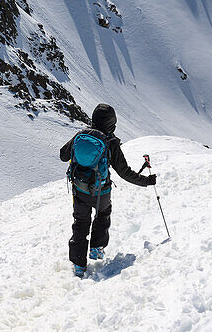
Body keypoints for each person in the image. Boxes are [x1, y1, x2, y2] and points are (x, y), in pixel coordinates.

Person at [59, 103, 156, 276]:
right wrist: (147, 181)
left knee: (80, 223)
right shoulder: (110, 142)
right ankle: (97, 247)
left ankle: (79, 265)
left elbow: (62, 155)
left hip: (79, 190)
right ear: (111, 123)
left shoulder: (80, 135)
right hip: (100, 192)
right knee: (103, 214)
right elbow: (125, 173)